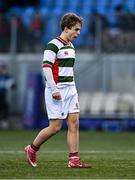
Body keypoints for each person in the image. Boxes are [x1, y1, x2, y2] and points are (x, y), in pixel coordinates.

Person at [24, 13, 91, 168]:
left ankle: (74, 160)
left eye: (79, 30)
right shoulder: (53, 45)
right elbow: (46, 68)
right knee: (55, 127)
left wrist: (74, 90)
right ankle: (32, 149)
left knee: (74, 123)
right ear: (66, 28)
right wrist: (54, 88)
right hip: (57, 90)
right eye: (76, 29)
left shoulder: (71, 46)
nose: (78, 33)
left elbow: (68, 70)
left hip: (70, 89)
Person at [0, 63, 16, 129]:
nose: (4, 70)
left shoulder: (7, 77)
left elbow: (13, 86)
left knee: (4, 107)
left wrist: (12, 85)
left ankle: (4, 121)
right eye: (2, 69)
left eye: (4, 69)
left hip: (2, 95)